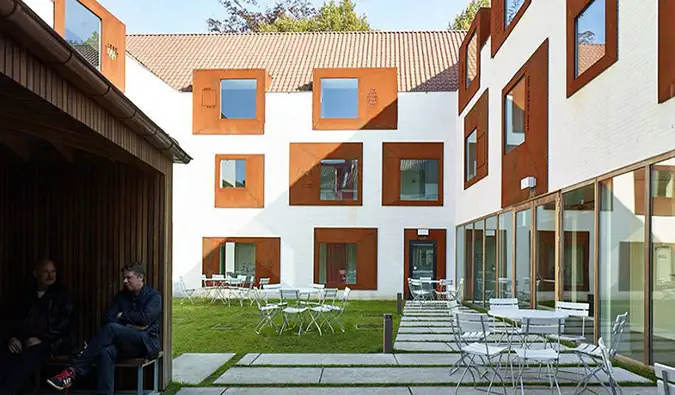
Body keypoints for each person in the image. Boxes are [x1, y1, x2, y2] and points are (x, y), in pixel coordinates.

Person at [46, 262, 161, 395]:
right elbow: (107, 319)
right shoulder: (121, 297)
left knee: (112, 329)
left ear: (141, 278)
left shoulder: (153, 297)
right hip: (123, 344)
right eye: (124, 277)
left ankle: (73, 371)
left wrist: (122, 316)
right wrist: (131, 325)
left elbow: (144, 319)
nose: (124, 281)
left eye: (129, 278)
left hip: (145, 343)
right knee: (105, 352)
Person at [0, 259, 74, 395]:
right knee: (7, 354)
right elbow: (10, 319)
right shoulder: (25, 294)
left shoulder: (61, 295)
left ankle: (6, 390)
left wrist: (41, 338)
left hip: (52, 342)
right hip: (23, 340)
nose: (50, 275)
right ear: (36, 273)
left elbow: (65, 324)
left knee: (29, 355)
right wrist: (12, 338)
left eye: (53, 271)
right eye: (46, 271)